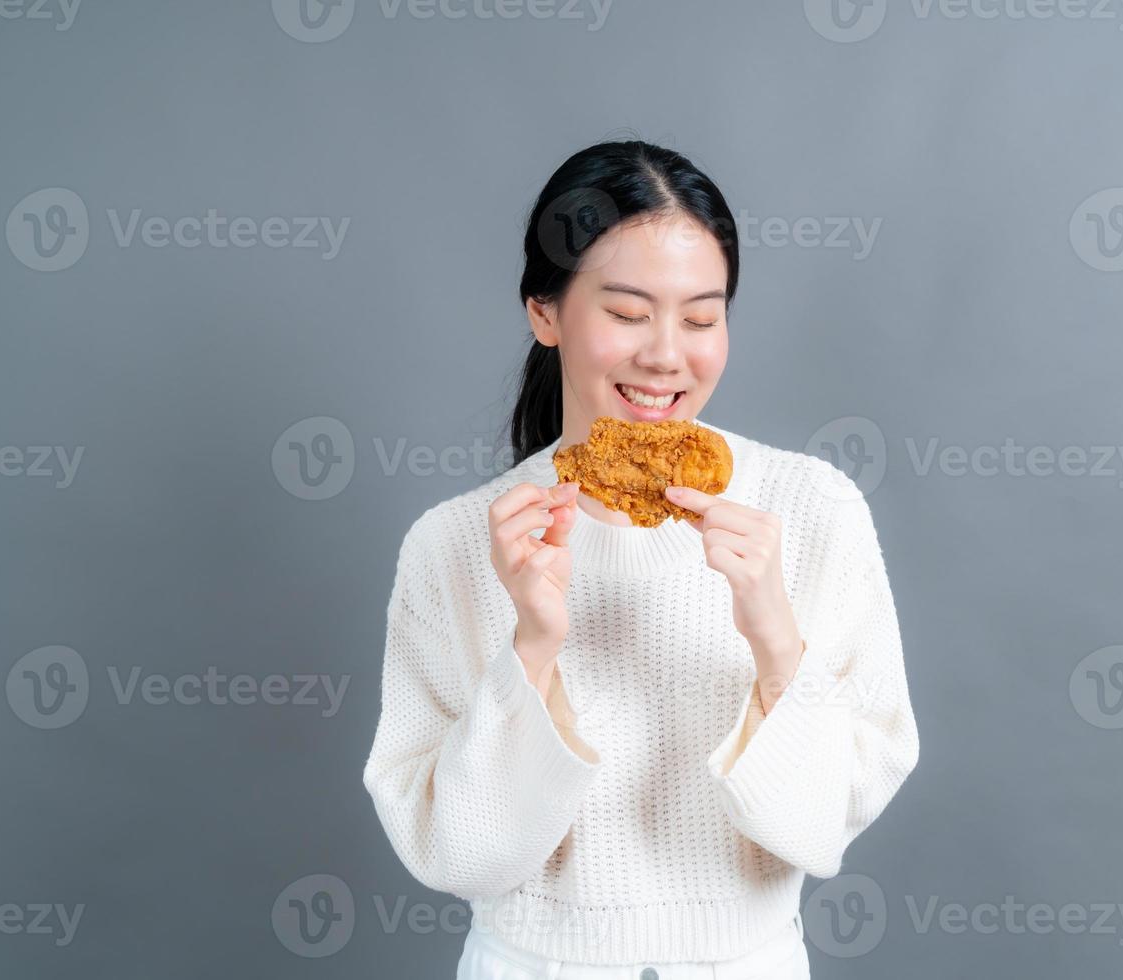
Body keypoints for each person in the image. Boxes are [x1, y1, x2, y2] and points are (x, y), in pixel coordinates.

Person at [361, 139, 920, 980]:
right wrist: (533, 650)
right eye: (626, 313)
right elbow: (459, 860)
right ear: (545, 312)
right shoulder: (455, 544)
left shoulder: (813, 511)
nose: (667, 355)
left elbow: (820, 831)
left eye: (701, 318)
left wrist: (775, 641)